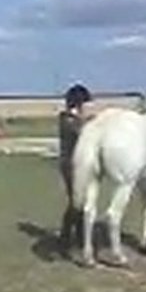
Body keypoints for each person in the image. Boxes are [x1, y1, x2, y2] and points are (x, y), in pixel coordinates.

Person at [57, 83, 93, 252]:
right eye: (84, 104)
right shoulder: (67, 119)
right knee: (75, 202)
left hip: (78, 165)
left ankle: (78, 237)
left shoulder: (74, 119)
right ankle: (65, 238)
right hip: (70, 165)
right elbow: (80, 131)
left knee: (81, 202)